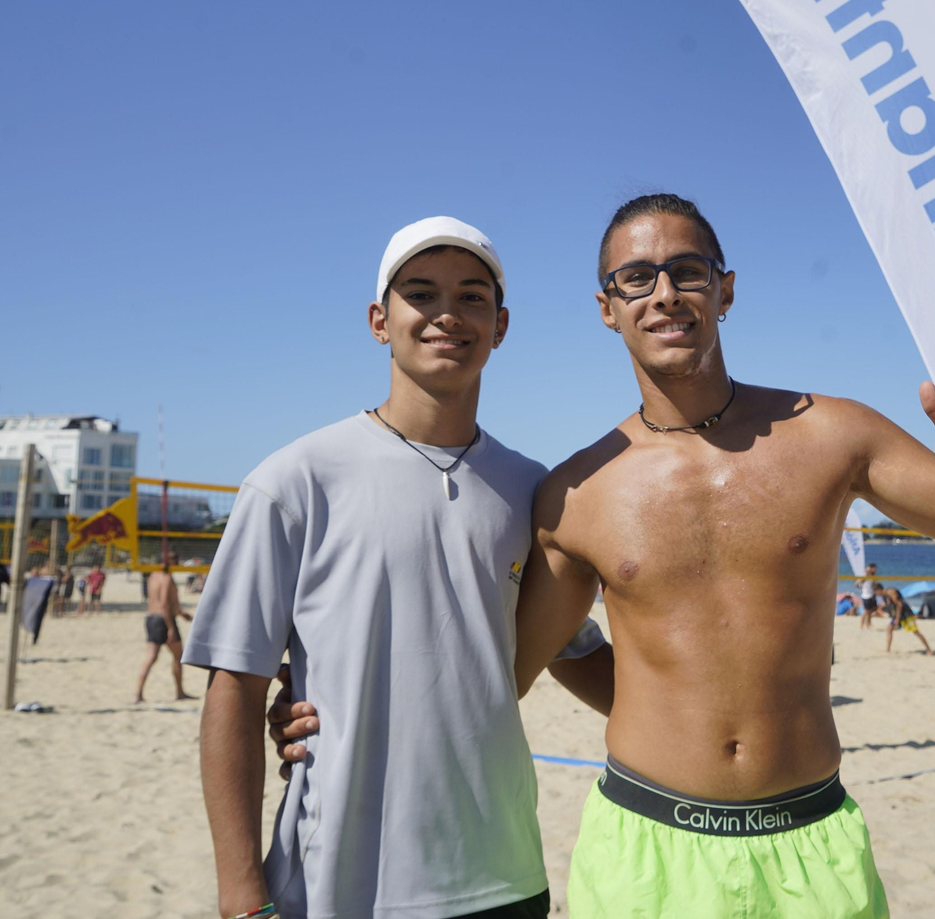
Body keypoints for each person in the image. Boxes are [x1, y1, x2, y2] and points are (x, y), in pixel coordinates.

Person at [509, 195, 935, 918]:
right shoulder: (577, 492)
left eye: (688, 271)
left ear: (726, 289)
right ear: (606, 307)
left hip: (809, 844)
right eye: (637, 278)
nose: (665, 294)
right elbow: (523, 664)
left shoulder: (835, 437)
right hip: (644, 849)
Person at [186, 218, 611, 919]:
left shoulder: (535, 491)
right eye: (421, 293)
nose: (448, 313)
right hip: (338, 886)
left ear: (501, 326)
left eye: (473, 296)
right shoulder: (294, 481)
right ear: (380, 321)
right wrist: (240, 897)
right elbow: (233, 690)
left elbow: (576, 652)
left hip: (506, 875)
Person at [135, 549, 194, 703]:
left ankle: (138, 693)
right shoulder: (166, 577)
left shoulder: (153, 576)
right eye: (175, 558)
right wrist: (171, 627)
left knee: (151, 657)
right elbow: (164, 603)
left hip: (151, 618)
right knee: (177, 656)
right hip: (164, 620)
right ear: (167, 560)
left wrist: (180, 612)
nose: (177, 561)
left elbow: (161, 602)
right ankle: (180, 693)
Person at [879, 584, 933, 655]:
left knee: (916, 631)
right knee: (889, 629)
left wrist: (897, 618)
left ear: (878, 590)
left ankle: (929, 650)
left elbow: (900, 604)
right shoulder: (885, 595)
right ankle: (888, 649)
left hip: (905, 614)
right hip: (898, 614)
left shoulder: (891, 592)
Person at [857, 562, 880, 629]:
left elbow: (874, 586)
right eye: (868, 570)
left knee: (871, 610)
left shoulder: (872, 577)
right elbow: (856, 584)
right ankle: (862, 625)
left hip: (871, 595)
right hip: (865, 596)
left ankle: (868, 623)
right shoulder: (864, 577)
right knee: (866, 611)